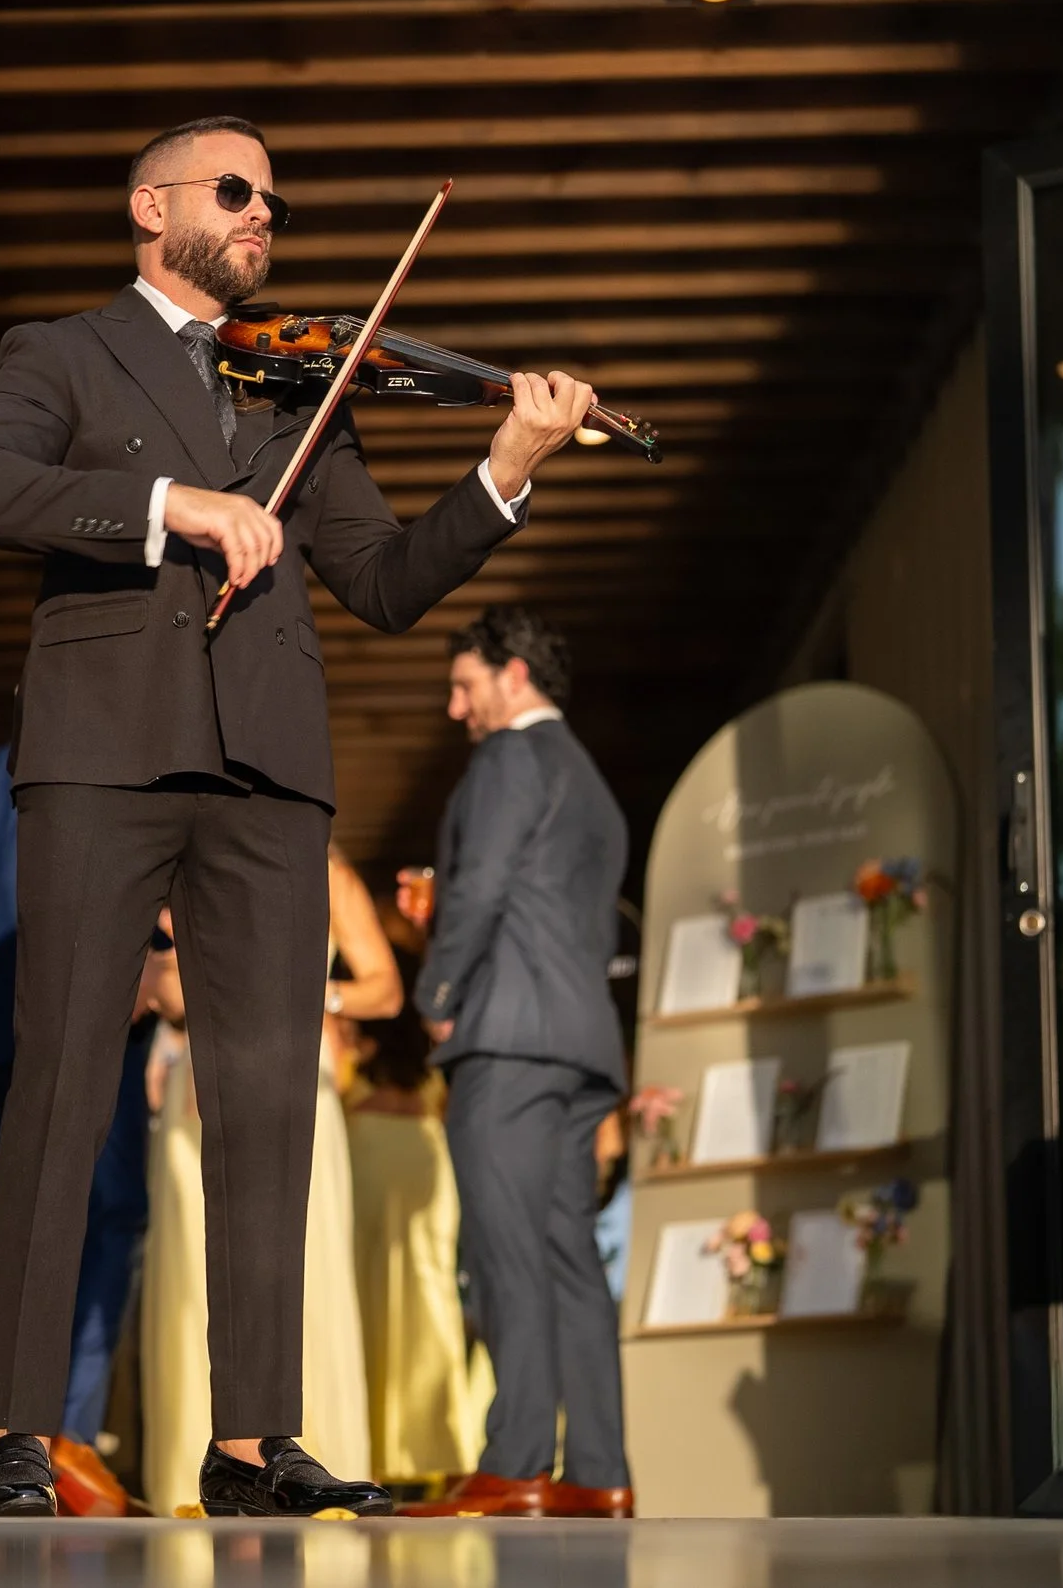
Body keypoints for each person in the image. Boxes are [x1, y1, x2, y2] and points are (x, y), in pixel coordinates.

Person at [0, 113, 595, 1519]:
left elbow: (389, 580)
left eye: (273, 203)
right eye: (236, 193)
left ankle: (252, 1444)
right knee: (64, 1084)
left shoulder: (303, 387)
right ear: (148, 202)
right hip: (104, 753)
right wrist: (174, 503)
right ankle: (15, 1438)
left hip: (268, 773)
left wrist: (509, 467)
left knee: (267, 1102)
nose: (262, 218)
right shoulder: (60, 351)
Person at [400, 607, 634, 1520]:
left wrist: (438, 997)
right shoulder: (592, 784)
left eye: (465, 686)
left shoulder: (508, 760)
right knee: (566, 1252)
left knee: (505, 1255)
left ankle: (519, 1465)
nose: (457, 708)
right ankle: (600, 1474)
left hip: (506, 1039)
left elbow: (486, 885)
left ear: (516, 676)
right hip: (580, 1049)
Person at [0, 744, 149, 1518]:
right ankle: (64, 1447)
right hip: (84, 1026)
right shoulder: (93, 760)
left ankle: (0, 1451)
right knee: (103, 1224)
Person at [136, 848, 388, 1512]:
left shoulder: (329, 869)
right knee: (192, 1280)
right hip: (198, 1090)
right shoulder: (181, 857)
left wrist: (315, 993)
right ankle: (203, 1468)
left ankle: (307, 1456)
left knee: (303, 1273)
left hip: (296, 1075)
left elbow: (384, 989)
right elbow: (161, 996)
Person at [345, 936, 492, 1488]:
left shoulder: (353, 1063)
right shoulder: (431, 1072)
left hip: (368, 1166)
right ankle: (434, 1447)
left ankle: (369, 1449)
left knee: (365, 1302)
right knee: (427, 1301)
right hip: (426, 1170)